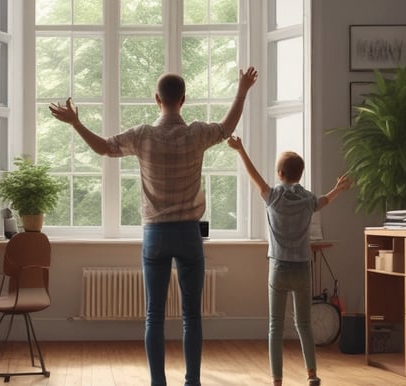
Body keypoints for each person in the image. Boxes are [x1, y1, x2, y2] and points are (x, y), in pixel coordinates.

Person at [49, 67, 258, 386]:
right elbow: (227, 127)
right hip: (188, 233)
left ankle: (158, 383)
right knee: (192, 316)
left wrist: (76, 122)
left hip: (156, 235)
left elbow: (103, 147)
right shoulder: (196, 134)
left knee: (154, 316)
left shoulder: (142, 135)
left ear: (157, 99)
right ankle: (192, 382)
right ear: (183, 99)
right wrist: (242, 89)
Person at [226, 136, 351, 386]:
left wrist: (240, 149)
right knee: (304, 324)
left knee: (275, 326)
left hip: (279, 267)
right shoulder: (308, 201)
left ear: (280, 173)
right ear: (300, 174)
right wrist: (338, 188)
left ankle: (277, 380)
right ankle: (312, 374)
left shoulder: (273, 197)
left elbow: (254, 175)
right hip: (303, 268)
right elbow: (325, 200)